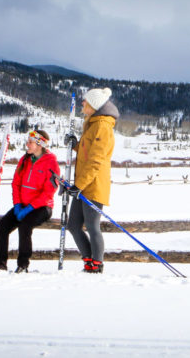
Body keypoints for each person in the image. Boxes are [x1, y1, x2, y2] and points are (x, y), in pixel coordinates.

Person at [63, 87, 118, 273]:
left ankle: (97, 263)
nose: (82, 104)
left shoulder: (102, 126)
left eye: (85, 101)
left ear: (94, 105)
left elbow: (96, 160)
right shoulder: (93, 123)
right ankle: (88, 259)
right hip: (82, 185)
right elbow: (87, 152)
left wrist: (78, 185)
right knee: (73, 225)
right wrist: (75, 144)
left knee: (93, 226)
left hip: (93, 185)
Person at [0, 129, 60, 273]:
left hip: (42, 207)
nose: (27, 145)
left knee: (25, 226)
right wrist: (17, 205)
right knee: (3, 226)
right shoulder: (25, 159)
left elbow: (49, 192)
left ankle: (23, 264)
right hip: (22, 205)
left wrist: (30, 208)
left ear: (40, 144)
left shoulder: (51, 163)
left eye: (30, 142)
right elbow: (16, 183)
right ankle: (0, 264)